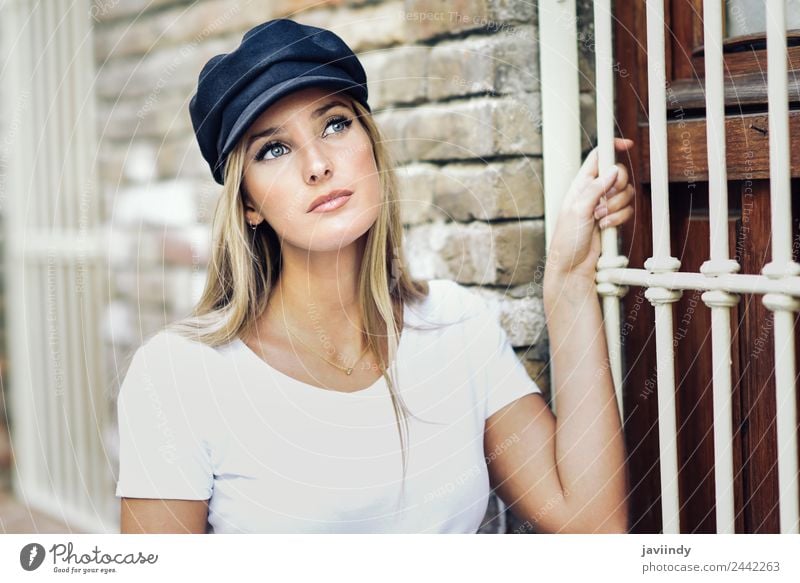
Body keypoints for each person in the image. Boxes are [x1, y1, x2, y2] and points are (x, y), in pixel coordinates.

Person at [115, 18, 635, 534]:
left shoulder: (458, 327)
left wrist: (567, 284)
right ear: (248, 201)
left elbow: (592, 525)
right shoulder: (179, 377)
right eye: (274, 149)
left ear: (370, 144)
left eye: (335, 124)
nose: (317, 164)